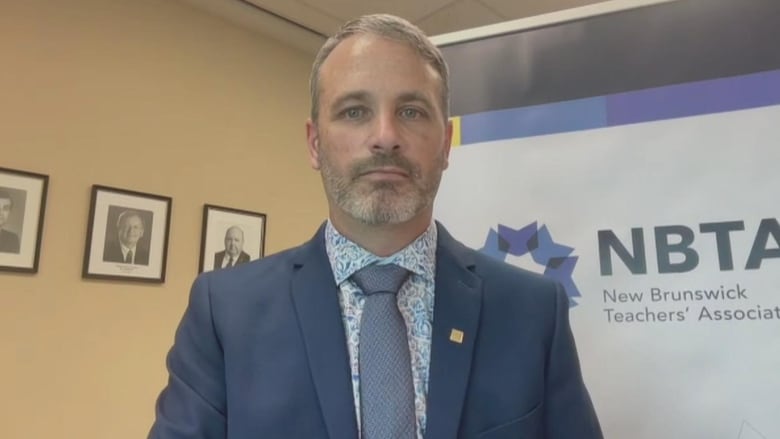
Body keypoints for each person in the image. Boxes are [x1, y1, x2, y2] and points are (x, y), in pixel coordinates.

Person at [149, 14, 602, 439]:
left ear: (445, 144)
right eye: (354, 111)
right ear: (314, 144)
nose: (385, 135)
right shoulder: (225, 312)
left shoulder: (533, 311)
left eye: (411, 111)